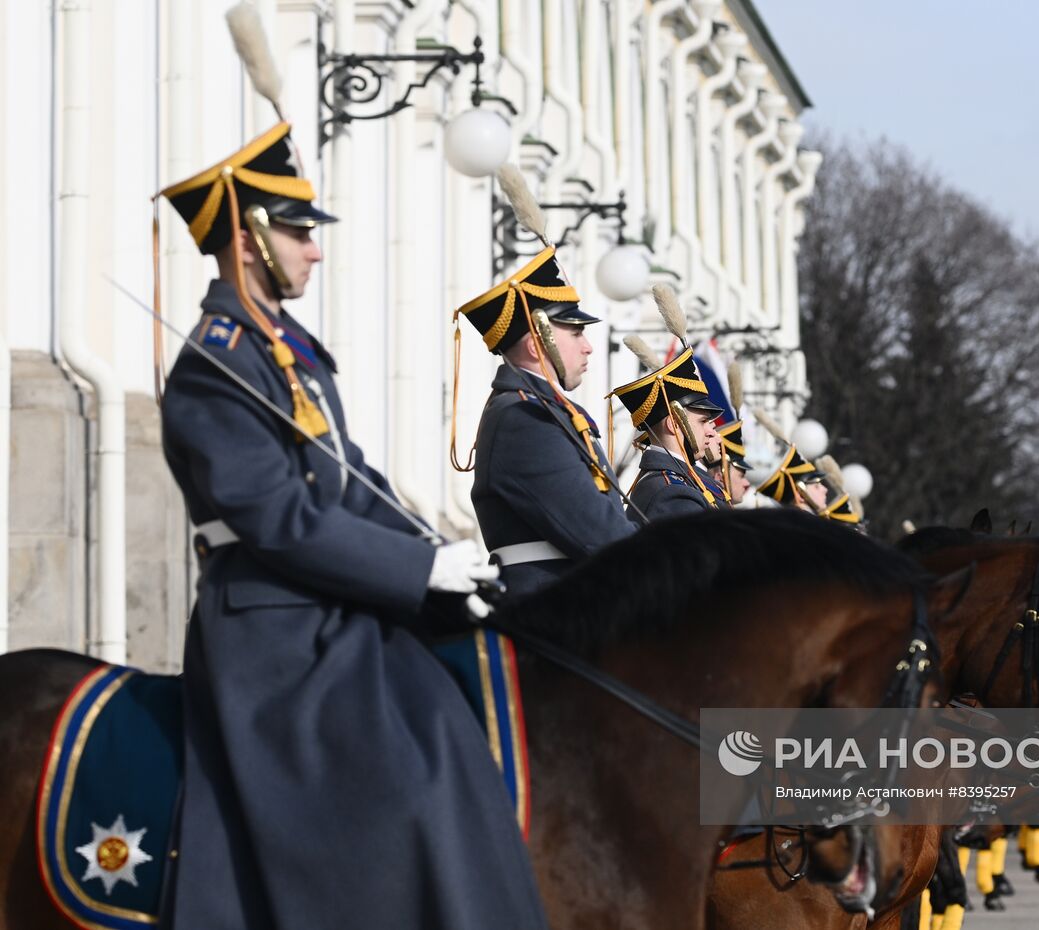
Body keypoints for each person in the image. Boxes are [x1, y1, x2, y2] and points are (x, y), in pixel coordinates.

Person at [157, 122, 548, 929]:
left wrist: (436, 556)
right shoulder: (214, 364)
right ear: (247, 238)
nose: (314, 251)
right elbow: (279, 518)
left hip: (330, 603)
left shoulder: (288, 354)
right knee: (408, 773)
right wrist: (414, 573)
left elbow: (352, 479)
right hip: (273, 622)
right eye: (298, 233)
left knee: (450, 709)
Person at [456, 208, 638, 596]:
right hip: (551, 603)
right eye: (574, 332)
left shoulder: (541, 411)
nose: (588, 347)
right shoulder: (524, 419)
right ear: (538, 340)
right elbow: (598, 533)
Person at [612, 345, 725, 518]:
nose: (711, 431)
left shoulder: (683, 481)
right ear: (673, 424)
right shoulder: (671, 492)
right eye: (703, 421)